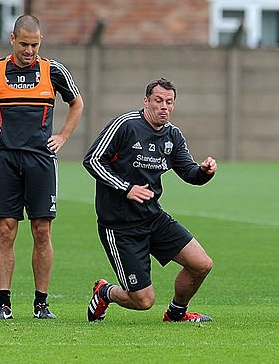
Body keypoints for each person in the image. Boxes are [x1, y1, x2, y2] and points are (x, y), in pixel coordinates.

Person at [0, 14, 84, 320]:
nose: (29, 50)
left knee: (41, 230)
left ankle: (41, 304)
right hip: (6, 157)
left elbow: (77, 103)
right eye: (24, 44)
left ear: (40, 42)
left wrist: (63, 135)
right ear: (12, 40)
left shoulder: (53, 71)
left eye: (34, 44)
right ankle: (3, 304)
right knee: (5, 231)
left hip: (41, 160)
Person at [84, 78, 217, 323]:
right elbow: (92, 160)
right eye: (158, 101)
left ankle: (176, 313)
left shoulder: (173, 135)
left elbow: (189, 173)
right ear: (146, 102)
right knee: (143, 301)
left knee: (202, 264)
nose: (164, 107)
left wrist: (204, 172)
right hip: (120, 226)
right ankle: (105, 291)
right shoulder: (125, 125)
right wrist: (126, 188)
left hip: (153, 218)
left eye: (169, 102)